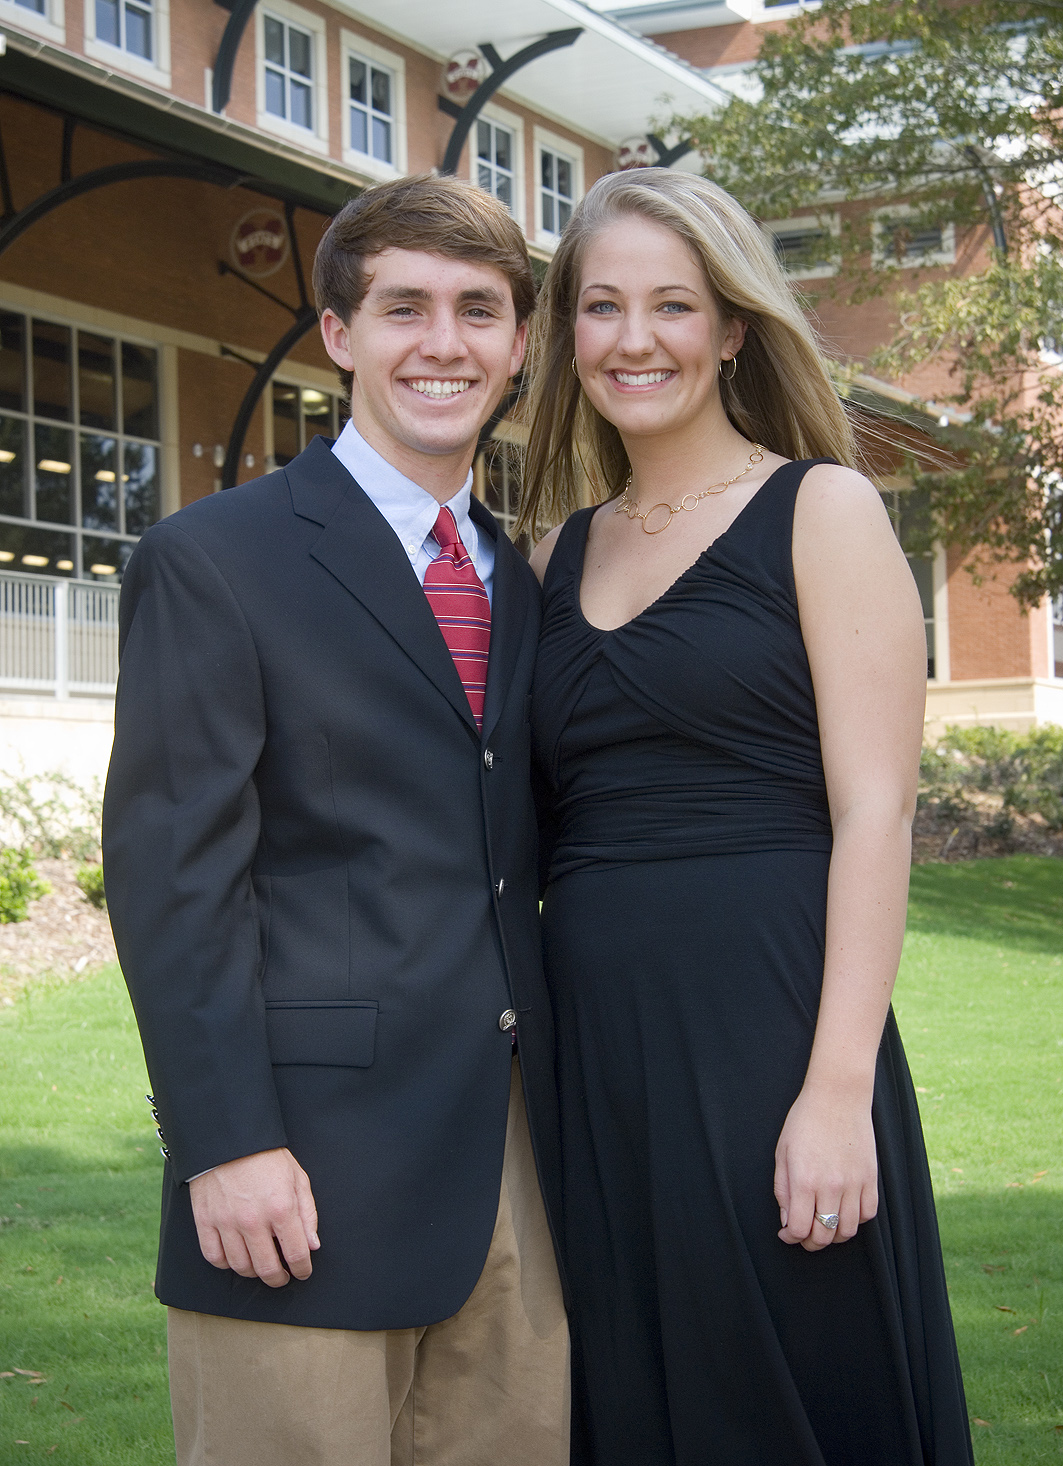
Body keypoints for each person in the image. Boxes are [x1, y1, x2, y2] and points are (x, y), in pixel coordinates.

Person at [102, 173, 569, 1466]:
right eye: (405, 305)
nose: (444, 342)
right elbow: (170, 876)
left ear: (519, 346)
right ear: (340, 332)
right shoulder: (215, 560)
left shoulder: (523, 582)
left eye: (480, 310)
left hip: (514, 1178)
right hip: (299, 1175)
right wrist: (225, 1142)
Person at [521, 168, 973, 1465]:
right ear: (570, 335)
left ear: (730, 327)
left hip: (775, 1029)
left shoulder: (819, 509)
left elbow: (878, 810)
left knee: (793, 1391)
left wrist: (835, 1090)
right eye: (601, 305)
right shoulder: (553, 559)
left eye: (673, 303)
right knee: (636, 1400)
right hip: (596, 1057)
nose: (635, 336)